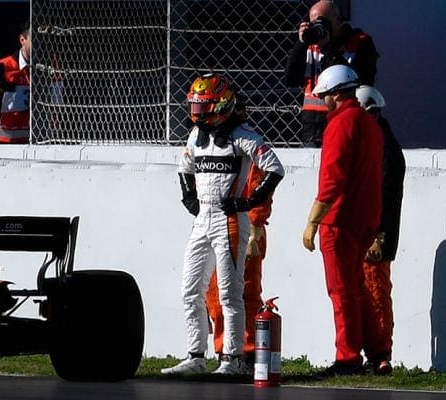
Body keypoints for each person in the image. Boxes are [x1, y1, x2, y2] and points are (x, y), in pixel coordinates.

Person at [161, 74, 284, 375]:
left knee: (230, 293)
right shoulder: (194, 136)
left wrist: (248, 202)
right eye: (196, 107)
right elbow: (184, 167)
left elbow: (275, 168)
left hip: (230, 221)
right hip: (202, 219)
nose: (198, 114)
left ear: (223, 104)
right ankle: (196, 355)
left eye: (204, 108)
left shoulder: (243, 136)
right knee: (190, 290)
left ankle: (233, 358)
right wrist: (188, 197)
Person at [301, 65, 383, 376]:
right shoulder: (369, 123)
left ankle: (348, 357)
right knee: (357, 287)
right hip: (366, 218)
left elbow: (332, 180)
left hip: (340, 220)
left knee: (341, 290)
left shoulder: (341, 123)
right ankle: (378, 352)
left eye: (323, 98)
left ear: (336, 95)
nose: (322, 105)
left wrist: (312, 222)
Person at [355, 85, 405, 376]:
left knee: (375, 291)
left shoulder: (384, 146)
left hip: (376, 234)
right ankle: (372, 351)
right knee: (365, 291)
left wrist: (378, 235)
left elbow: (385, 195)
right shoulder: (376, 140)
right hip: (367, 230)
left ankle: (380, 354)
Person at [204, 162, 272, 370]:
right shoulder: (215, 148)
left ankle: (248, 354)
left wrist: (255, 228)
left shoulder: (248, 146)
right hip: (217, 228)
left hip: (244, 229)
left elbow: (261, 186)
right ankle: (226, 351)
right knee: (216, 296)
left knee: (245, 294)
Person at [284, 0, 379, 147]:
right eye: (314, 23)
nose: (319, 27)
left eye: (324, 22)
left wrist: (327, 48)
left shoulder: (360, 43)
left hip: (345, 122)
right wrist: (300, 44)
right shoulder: (309, 44)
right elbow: (290, 79)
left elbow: (361, 82)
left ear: (339, 21)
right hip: (313, 127)